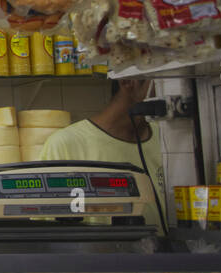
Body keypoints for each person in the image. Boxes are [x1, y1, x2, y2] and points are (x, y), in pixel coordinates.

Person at [39, 78, 167, 231]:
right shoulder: (66, 145)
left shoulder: (167, 137)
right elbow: (50, 228)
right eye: (161, 80)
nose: (173, 88)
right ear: (128, 82)